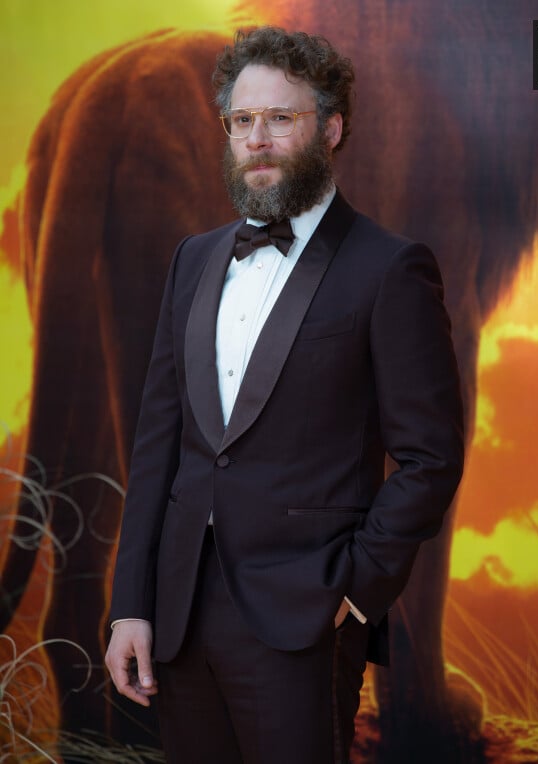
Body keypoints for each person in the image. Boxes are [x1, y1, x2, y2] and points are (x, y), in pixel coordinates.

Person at [105, 25, 464, 764]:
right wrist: (130, 606)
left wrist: (353, 591)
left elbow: (431, 458)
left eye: (280, 118)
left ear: (331, 128)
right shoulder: (194, 259)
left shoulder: (389, 269)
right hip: (175, 618)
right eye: (242, 121)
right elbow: (159, 446)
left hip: (305, 620)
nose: (257, 139)